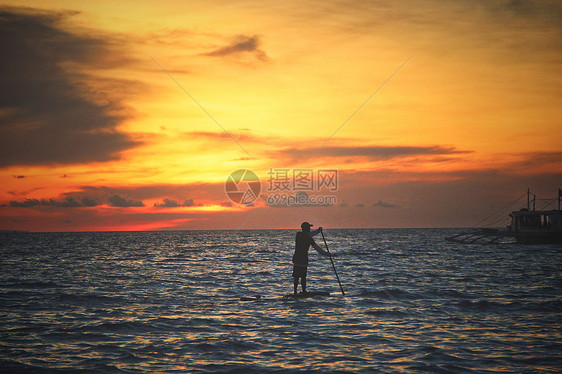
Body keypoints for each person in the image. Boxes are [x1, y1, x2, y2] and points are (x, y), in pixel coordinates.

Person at [292, 222, 330, 295]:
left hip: (297, 258)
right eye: (309, 228)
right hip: (303, 259)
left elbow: (309, 234)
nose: (310, 229)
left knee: (296, 277)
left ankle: (295, 292)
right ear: (306, 229)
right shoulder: (308, 238)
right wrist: (327, 254)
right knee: (303, 276)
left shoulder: (298, 235)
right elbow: (317, 249)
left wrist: (318, 231)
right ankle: (303, 291)